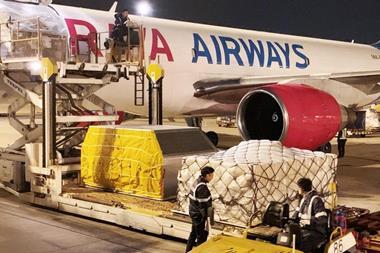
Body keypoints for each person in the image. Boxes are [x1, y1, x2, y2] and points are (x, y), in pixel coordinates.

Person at [293, 178, 328, 253]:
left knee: (301, 244)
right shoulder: (302, 200)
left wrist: (307, 220)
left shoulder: (316, 200)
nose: (297, 190)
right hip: (304, 230)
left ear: (302, 189)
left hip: (316, 232)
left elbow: (322, 220)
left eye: (298, 188)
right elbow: (296, 215)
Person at [185, 166, 214, 253]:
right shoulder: (202, 187)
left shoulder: (197, 181)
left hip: (194, 212)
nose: (213, 177)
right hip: (199, 215)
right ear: (208, 175)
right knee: (201, 237)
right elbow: (203, 205)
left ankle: (188, 251)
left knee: (193, 234)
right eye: (212, 175)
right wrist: (206, 218)